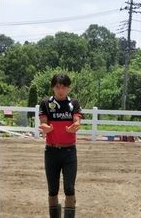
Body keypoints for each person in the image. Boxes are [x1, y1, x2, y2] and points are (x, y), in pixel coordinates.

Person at [39, 73, 83, 218]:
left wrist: (75, 126)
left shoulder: (74, 103)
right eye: (57, 87)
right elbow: (43, 122)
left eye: (64, 87)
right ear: (53, 87)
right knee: (52, 190)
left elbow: (77, 121)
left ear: (69, 88)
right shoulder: (45, 103)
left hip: (69, 152)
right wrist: (45, 128)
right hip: (51, 152)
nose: (60, 90)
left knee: (69, 188)